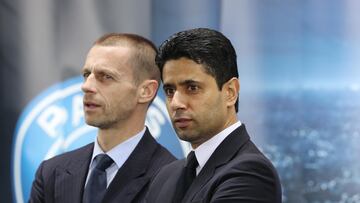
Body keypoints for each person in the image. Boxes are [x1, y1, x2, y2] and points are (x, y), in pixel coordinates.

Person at [29, 33, 176, 203]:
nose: (86, 86)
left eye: (106, 76)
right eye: (86, 74)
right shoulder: (51, 173)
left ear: (146, 91)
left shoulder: (173, 180)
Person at [146, 28, 282, 203]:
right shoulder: (165, 176)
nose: (176, 103)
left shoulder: (250, 172)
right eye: (170, 91)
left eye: (192, 88)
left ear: (230, 92)